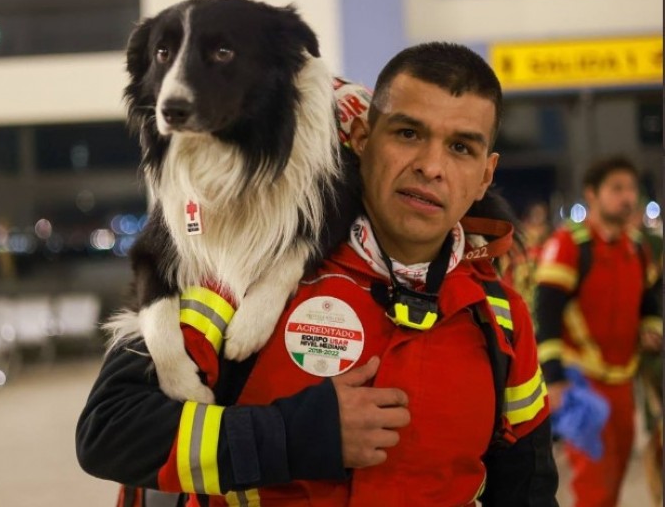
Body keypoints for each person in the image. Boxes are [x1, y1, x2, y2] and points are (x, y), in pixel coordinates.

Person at [76, 42, 559, 506]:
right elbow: (110, 430)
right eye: (408, 133)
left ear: (485, 176)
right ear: (364, 140)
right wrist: (295, 434)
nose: (431, 167)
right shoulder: (243, 269)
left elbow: (527, 489)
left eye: (461, 148)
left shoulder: (501, 321)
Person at [535, 155, 662, 507]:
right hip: (583, 385)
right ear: (592, 194)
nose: (627, 197)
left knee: (615, 479)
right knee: (594, 488)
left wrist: (650, 327)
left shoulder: (635, 247)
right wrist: (556, 379)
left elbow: (649, 299)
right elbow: (545, 315)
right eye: (616, 188)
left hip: (624, 381)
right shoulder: (568, 246)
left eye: (631, 189)